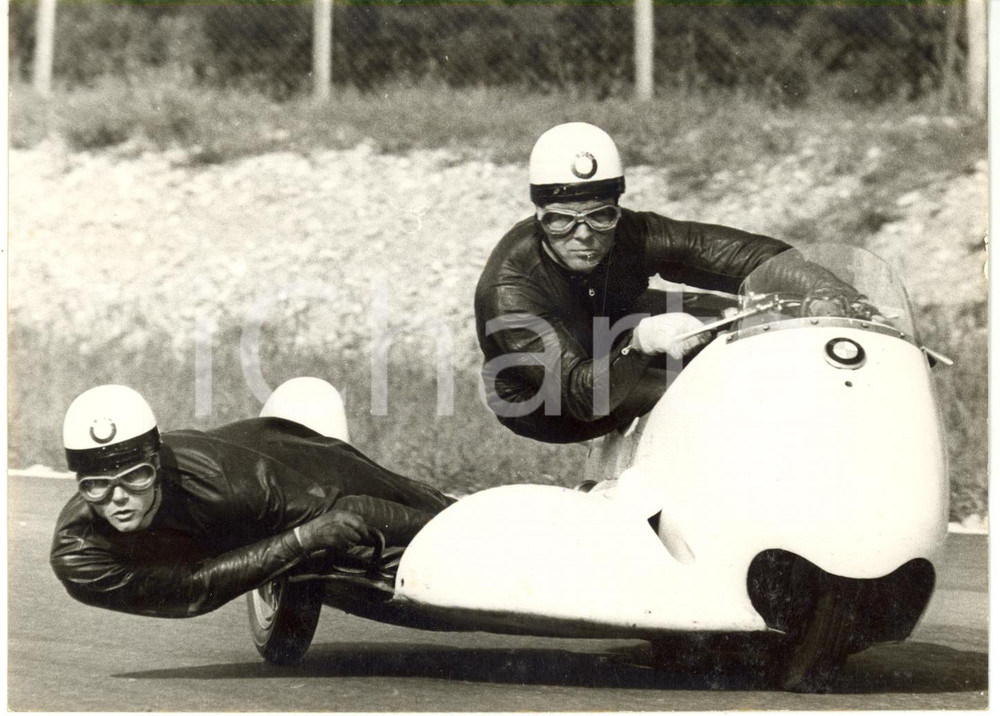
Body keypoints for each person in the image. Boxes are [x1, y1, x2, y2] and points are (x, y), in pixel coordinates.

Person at [474, 122, 860, 444]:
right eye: (560, 220)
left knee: (747, 323)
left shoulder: (629, 232)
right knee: (698, 394)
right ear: (539, 215)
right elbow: (581, 395)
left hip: (608, 327)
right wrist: (639, 345)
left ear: (617, 210)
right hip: (546, 399)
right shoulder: (510, 291)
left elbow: (726, 253)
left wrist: (823, 290)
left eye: (601, 216)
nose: (584, 234)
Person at [49, 379, 453, 619]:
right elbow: (191, 591)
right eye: (97, 486)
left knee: (402, 512)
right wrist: (301, 541)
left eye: (136, 477)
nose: (119, 498)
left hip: (287, 460)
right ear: (80, 484)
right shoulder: (77, 556)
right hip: (234, 527)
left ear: (155, 463)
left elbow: (348, 512)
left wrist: (449, 526)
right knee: (318, 541)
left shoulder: (226, 480)